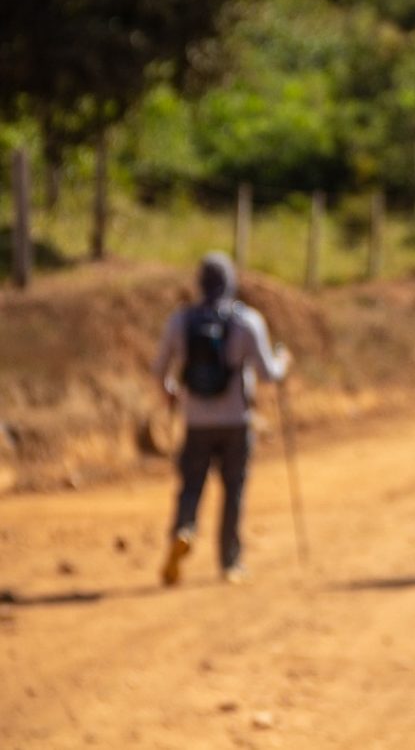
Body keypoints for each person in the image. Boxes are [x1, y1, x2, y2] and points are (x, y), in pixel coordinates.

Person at [152, 251, 290, 586]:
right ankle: (230, 562)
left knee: (190, 487)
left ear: (199, 282)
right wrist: (284, 360)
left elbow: (159, 371)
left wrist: (171, 392)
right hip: (236, 421)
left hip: (195, 420)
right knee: (234, 490)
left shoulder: (181, 320)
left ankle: (184, 530)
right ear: (231, 283)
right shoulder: (246, 321)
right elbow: (268, 373)